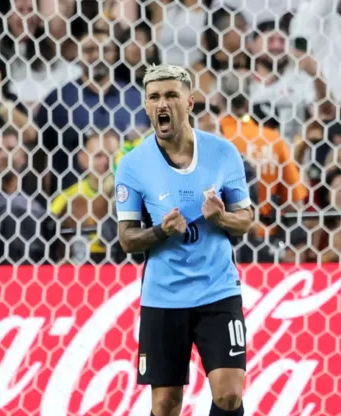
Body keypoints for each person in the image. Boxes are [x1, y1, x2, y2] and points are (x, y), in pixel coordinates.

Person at [115, 64, 254, 416]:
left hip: (218, 290)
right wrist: (162, 230)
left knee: (229, 395)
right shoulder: (132, 165)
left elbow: (246, 219)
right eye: (155, 97)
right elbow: (127, 240)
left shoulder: (223, 153)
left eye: (171, 95)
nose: (163, 104)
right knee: (165, 404)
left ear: (190, 102)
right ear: (146, 106)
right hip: (164, 296)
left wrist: (221, 217)